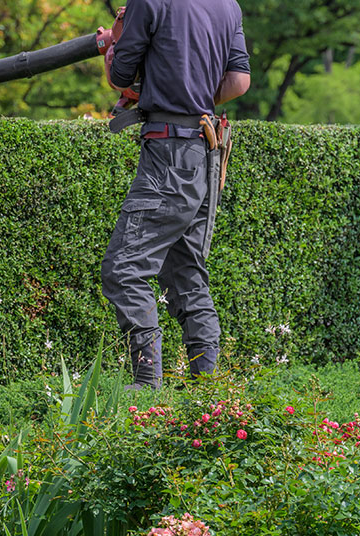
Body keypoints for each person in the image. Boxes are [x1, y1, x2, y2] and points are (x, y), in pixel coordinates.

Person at [101, 0, 251, 389]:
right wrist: (193, 93)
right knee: (186, 275)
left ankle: (146, 382)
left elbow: (121, 77)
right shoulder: (228, 6)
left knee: (124, 269)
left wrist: (110, 47)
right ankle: (208, 392)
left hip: (166, 152)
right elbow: (238, 82)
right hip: (206, 150)